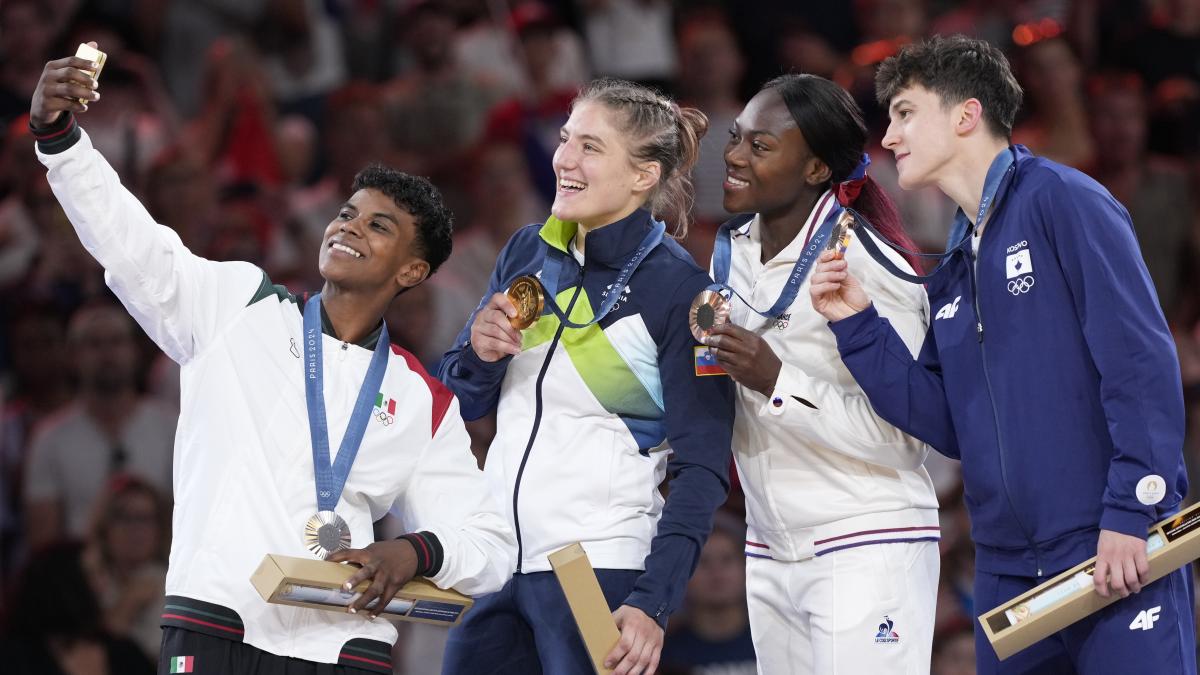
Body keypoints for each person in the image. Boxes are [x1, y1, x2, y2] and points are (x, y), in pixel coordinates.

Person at [29, 44, 516, 674]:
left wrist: (413, 554)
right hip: (218, 621)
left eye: (378, 227)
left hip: (344, 646)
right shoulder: (240, 305)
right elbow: (132, 246)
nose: (348, 228)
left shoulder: (422, 398)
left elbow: (488, 542)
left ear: (414, 270)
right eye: (346, 213)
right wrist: (61, 143)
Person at [809, 35, 1196, 674]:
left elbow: (1140, 364)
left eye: (905, 112)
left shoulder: (1064, 200)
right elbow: (947, 423)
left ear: (966, 115)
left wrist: (1135, 508)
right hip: (1008, 570)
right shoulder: (956, 261)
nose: (891, 135)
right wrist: (858, 326)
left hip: (1109, 543)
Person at [438, 78, 735, 675]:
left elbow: (703, 466)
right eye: (566, 138)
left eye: (591, 147)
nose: (564, 159)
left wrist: (654, 601)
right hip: (496, 561)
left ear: (642, 176)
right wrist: (479, 353)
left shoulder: (690, 295)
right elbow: (464, 393)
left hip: (597, 570)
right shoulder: (528, 251)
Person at [705, 73, 938, 674]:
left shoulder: (866, 263)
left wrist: (778, 382)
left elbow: (904, 440)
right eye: (736, 138)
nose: (732, 156)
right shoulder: (730, 252)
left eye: (760, 146)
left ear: (814, 170)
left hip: (865, 541)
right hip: (769, 546)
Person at [24, 302, 175, 550]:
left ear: (134, 351)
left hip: (160, 574)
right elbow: (44, 543)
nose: (107, 354)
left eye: (116, 342)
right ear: (72, 356)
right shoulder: (49, 438)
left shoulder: (170, 427)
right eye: (93, 344)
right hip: (76, 577)